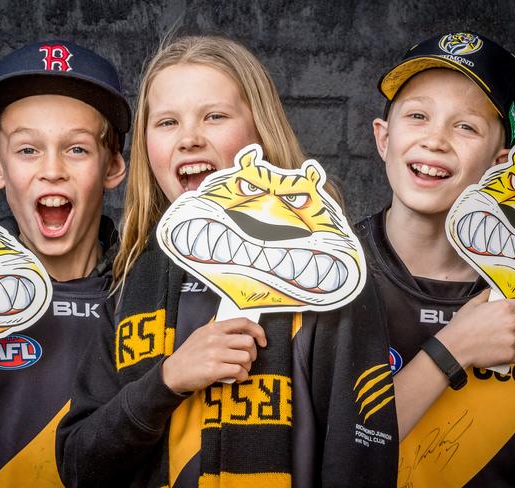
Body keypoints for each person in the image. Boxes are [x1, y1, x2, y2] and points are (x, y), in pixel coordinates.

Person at [57, 35, 399, 487]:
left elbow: (359, 461)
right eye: (166, 122)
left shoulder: (330, 280)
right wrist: (167, 380)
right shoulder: (129, 281)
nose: (189, 139)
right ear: (146, 146)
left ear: (260, 131)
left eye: (214, 116)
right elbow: (79, 465)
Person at [355, 31, 515, 486]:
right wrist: (453, 349)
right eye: (417, 115)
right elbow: (339, 455)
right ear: (383, 138)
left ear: (500, 165)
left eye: (465, 126)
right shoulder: (335, 271)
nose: (435, 140)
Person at [0, 39, 129, 487]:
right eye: (28, 149)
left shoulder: (145, 293)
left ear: (112, 166)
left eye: (77, 149)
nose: (52, 170)